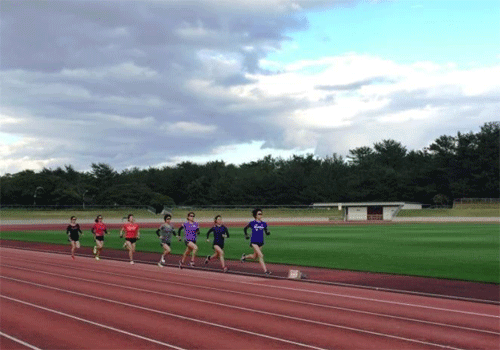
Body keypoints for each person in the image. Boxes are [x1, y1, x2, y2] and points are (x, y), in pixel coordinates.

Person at [241, 208, 271, 274]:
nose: (261, 215)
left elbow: (266, 231)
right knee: (261, 255)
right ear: (256, 215)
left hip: (261, 242)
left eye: (261, 214)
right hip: (254, 242)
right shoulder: (252, 223)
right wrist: (246, 235)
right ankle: (266, 271)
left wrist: (268, 233)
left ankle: (244, 257)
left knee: (254, 256)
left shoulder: (264, 223)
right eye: (259, 214)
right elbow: (245, 228)